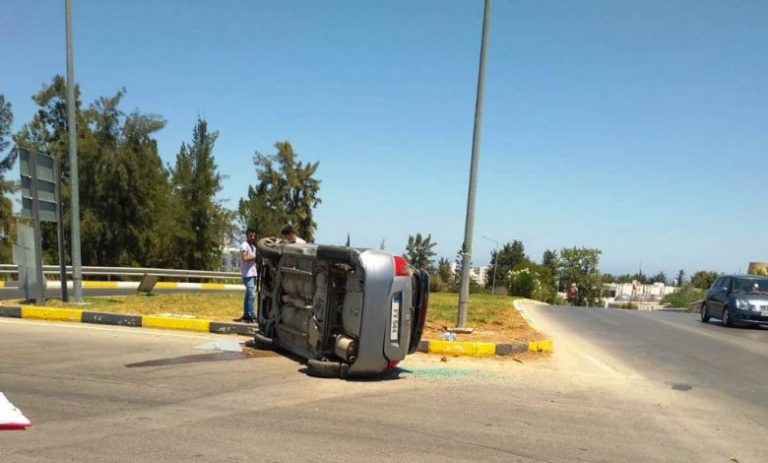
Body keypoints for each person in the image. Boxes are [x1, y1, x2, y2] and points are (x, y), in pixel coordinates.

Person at [234, 227, 258, 323]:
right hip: (247, 274)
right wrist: (255, 256)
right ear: (247, 235)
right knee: (251, 294)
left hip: (253, 273)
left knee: (249, 295)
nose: (252, 237)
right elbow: (245, 258)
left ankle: (246, 314)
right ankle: (250, 315)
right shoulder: (244, 246)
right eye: (250, 236)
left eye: (253, 236)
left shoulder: (253, 247)